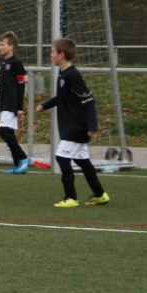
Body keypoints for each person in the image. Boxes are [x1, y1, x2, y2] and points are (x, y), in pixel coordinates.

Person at [36, 38, 110, 208]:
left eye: (53, 52)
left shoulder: (73, 75)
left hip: (75, 126)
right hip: (72, 125)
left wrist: (93, 125)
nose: (51, 55)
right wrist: (45, 105)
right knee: (83, 161)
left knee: (61, 157)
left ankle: (71, 198)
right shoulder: (63, 74)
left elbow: (89, 101)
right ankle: (100, 195)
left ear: (61, 55)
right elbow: (63, 97)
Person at [0, 31, 30, 174]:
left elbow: (21, 85)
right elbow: (4, 83)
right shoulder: (4, 63)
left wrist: (19, 107)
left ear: (11, 46)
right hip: (4, 102)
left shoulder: (16, 63)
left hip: (12, 103)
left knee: (2, 131)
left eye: (2, 44)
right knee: (9, 133)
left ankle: (23, 158)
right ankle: (18, 166)